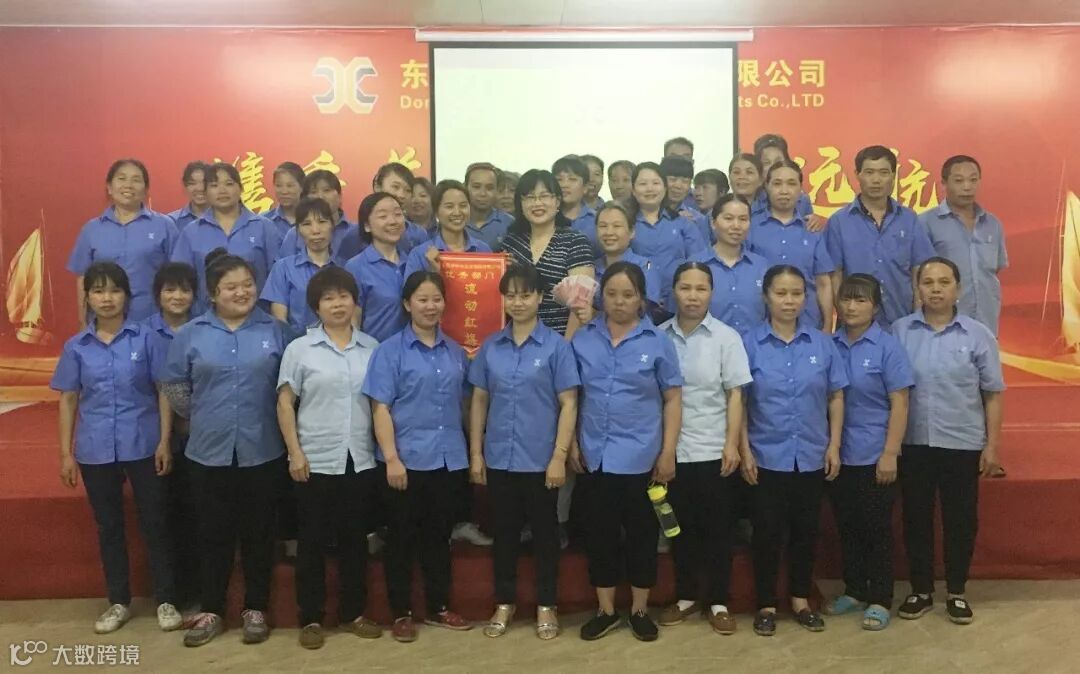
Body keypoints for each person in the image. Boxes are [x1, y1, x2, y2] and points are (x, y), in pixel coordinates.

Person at [161, 252, 294, 647]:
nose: (242, 292)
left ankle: (256, 608)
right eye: (231, 287)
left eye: (248, 284)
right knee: (212, 533)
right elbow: (175, 387)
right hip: (208, 451)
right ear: (213, 293)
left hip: (263, 449)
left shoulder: (277, 331)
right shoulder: (191, 334)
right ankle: (212, 610)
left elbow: (290, 388)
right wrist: (204, 415)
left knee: (259, 533)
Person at [50, 262, 181, 635]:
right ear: (88, 298)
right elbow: (69, 400)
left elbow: (163, 391)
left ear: (127, 295)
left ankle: (166, 599)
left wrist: (164, 441)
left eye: (114, 290)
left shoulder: (146, 338)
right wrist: (65, 454)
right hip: (95, 449)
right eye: (98, 291)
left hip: (143, 443)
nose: (106, 299)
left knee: (156, 522)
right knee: (109, 526)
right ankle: (119, 601)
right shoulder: (76, 347)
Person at [571, 261, 682, 642]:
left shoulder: (657, 342)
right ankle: (605, 611)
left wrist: (667, 451)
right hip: (595, 456)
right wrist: (572, 443)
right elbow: (572, 396)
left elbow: (672, 398)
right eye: (612, 294)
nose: (619, 301)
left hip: (642, 458)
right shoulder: (584, 338)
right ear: (601, 296)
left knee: (642, 537)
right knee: (599, 536)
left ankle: (639, 610)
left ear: (641, 299)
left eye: (628, 295)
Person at [361, 272, 475, 642]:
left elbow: (465, 405)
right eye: (422, 299)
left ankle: (439, 607)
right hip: (405, 461)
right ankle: (401, 613)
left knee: (439, 538)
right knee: (401, 540)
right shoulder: (389, 351)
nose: (430, 306)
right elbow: (380, 408)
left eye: (436, 299)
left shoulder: (455, 351)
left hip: (447, 459)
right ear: (407, 304)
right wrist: (391, 458)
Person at [468, 263, 580, 639]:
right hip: (500, 457)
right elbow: (479, 401)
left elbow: (569, 403)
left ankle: (547, 604)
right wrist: (476, 454)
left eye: (526, 295)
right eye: (511, 295)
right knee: (505, 535)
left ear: (540, 297)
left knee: (546, 536)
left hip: (541, 460)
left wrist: (559, 456)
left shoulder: (556, 348)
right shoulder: (491, 347)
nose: (518, 302)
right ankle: (505, 601)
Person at [893, 257, 1005, 626]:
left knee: (960, 520)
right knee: (916, 518)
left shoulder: (977, 335)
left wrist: (991, 446)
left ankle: (956, 591)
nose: (936, 289)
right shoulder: (900, 331)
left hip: (962, 442)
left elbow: (992, 394)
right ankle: (921, 590)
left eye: (944, 282)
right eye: (928, 282)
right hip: (914, 442)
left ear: (958, 288)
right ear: (918, 289)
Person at [277, 266, 383, 649]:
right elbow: (285, 403)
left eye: (344, 296)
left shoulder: (372, 347)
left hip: (360, 457)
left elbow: (380, 405)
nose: (337, 304)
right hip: (314, 458)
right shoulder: (300, 349)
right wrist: (295, 453)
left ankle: (353, 613)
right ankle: (311, 618)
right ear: (315, 306)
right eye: (328, 298)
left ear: (355, 301)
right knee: (312, 542)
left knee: (355, 540)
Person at [740, 265, 847, 637]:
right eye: (781, 293)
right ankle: (766, 605)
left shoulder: (822, 344)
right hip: (766, 457)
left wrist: (834, 445)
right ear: (766, 296)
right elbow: (739, 401)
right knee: (766, 534)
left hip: (812, 455)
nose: (789, 301)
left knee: (806, 531)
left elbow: (835, 396)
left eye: (797, 293)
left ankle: (801, 599)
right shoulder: (749, 343)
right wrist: (744, 450)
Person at [658, 262, 752, 636]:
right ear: (673, 291)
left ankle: (718, 601)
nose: (693, 296)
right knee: (679, 530)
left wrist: (732, 444)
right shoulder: (658, 336)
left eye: (701, 289)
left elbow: (735, 395)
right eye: (685, 288)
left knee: (718, 531)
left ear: (712, 293)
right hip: (672, 451)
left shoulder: (726, 338)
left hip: (714, 449)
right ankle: (685, 596)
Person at [824, 274, 914, 631]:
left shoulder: (887, 347)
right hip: (837, 454)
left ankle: (880, 598)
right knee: (847, 526)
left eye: (860, 300)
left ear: (876, 307)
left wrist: (890, 452)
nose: (851, 306)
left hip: (875, 452)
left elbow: (900, 402)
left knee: (877, 528)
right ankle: (855, 589)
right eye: (846, 299)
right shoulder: (829, 345)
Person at [825, 145, 936, 327]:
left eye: (883, 173)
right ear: (857, 175)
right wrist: (845, 315)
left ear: (893, 176)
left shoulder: (908, 219)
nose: (876, 180)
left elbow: (919, 270)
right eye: (869, 172)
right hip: (855, 327)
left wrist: (917, 317)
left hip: (902, 322)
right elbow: (834, 276)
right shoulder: (839, 221)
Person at [144, 262, 199, 609]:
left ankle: (198, 591)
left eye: (184, 290)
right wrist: (167, 432)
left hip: (200, 437)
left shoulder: (204, 328)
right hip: (156, 437)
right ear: (157, 295)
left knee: (195, 513)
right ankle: (170, 594)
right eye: (169, 290)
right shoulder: (143, 333)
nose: (177, 296)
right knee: (163, 516)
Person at [68, 159, 178, 323]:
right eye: (121, 179)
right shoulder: (91, 230)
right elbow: (83, 280)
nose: (128, 185)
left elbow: (177, 277)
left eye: (136, 180)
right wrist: (84, 324)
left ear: (146, 189)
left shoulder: (165, 226)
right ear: (109, 187)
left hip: (152, 321)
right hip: (104, 324)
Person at [170, 162, 282, 313]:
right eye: (214, 185)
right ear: (206, 192)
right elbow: (181, 280)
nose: (222, 190)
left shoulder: (264, 227)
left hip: (257, 317)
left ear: (240, 188)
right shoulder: (191, 232)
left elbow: (278, 278)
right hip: (205, 318)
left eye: (229, 184)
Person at [919, 155, 1008, 337]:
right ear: (944, 183)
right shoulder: (926, 223)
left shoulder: (993, 224)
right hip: (943, 326)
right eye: (959, 181)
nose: (967, 187)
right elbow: (919, 276)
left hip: (986, 324)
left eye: (973, 180)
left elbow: (995, 269)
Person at [501, 169, 595, 338]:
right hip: (516, 341)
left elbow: (580, 306)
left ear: (557, 201)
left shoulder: (575, 241)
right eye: (530, 197)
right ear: (520, 204)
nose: (537, 203)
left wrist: (565, 348)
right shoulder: (511, 243)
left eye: (544, 196)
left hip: (562, 340)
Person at [749, 160, 835, 331]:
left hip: (808, 324)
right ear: (766, 187)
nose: (784, 190)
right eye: (777, 183)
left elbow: (823, 283)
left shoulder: (812, 230)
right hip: (761, 325)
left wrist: (827, 326)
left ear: (801, 189)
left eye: (791, 183)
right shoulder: (751, 227)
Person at [262, 197, 347, 332]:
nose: (315, 230)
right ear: (298, 230)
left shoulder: (345, 268)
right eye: (307, 224)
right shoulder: (283, 268)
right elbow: (279, 319)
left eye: (322, 222)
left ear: (332, 225)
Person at [691, 194, 769, 336]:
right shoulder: (695, 266)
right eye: (728, 218)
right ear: (713, 223)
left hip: (753, 347)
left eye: (743, 219)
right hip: (707, 346)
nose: (736, 226)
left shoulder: (762, 267)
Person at [628, 162, 709, 297]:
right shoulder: (626, 224)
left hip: (678, 299)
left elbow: (698, 263)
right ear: (633, 190)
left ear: (665, 188)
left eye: (656, 183)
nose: (650, 188)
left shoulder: (684, 224)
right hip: (637, 298)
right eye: (643, 184)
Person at [344, 192, 408, 342]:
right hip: (373, 351)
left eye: (398, 214)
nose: (393, 221)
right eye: (383, 216)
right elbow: (353, 322)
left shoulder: (413, 262)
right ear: (367, 226)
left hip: (411, 352)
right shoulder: (356, 267)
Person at [404, 179, 492, 278]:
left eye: (463, 206)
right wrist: (432, 274)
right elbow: (410, 288)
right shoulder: (419, 255)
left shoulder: (483, 250)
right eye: (449, 207)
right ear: (436, 212)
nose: (457, 212)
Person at [593, 201, 662, 318]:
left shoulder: (646, 266)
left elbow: (645, 311)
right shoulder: (591, 268)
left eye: (617, 226)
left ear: (632, 232)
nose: (609, 232)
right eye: (603, 226)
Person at [279, 170, 363, 261]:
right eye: (313, 192)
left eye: (327, 190)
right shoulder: (294, 234)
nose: (321, 196)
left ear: (339, 196)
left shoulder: (357, 232)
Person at [752, 134, 815, 220]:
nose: (773, 166)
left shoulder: (802, 200)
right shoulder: (751, 198)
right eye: (766, 162)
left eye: (778, 161)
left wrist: (814, 221)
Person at [372, 162, 430, 254]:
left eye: (408, 190)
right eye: (395, 187)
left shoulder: (418, 234)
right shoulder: (356, 234)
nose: (401, 195)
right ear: (377, 187)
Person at [662, 155, 712, 246]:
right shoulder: (648, 214)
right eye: (673, 179)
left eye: (685, 181)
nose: (678, 186)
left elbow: (704, 251)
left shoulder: (698, 219)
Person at [554, 155, 599, 254]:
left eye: (572, 179)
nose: (564, 185)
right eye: (559, 179)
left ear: (585, 187)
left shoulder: (596, 221)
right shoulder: (546, 218)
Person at [465, 162, 516, 251]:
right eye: (476, 187)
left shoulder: (510, 223)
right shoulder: (453, 221)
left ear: (496, 190)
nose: (483, 193)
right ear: (465, 187)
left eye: (489, 188)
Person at [264, 162, 307, 238]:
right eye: (279, 186)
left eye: (289, 186)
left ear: (302, 187)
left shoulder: (316, 220)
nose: (284, 191)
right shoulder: (263, 221)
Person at [168, 160, 212, 230]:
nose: (200, 188)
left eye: (204, 183)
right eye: (192, 183)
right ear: (185, 186)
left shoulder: (225, 219)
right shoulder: (171, 221)